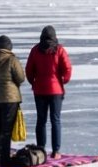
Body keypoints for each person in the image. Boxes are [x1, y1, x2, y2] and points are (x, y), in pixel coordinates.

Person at [25, 25, 72, 159]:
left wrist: (33, 82)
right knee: (55, 120)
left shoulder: (35, 50)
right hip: (56, 90)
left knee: (41, 120)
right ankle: (56, 151)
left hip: (39, 90)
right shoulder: (59, 50)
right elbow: (67, 68)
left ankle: (41, 150)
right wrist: (64, 81)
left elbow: (29, 70)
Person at [0, 35, 25, 167]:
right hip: (9, 98)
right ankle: (5, 160)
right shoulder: (12, 59)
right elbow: (20, 78)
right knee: (6, 130)